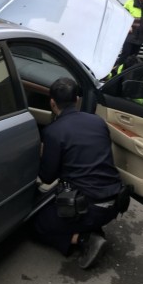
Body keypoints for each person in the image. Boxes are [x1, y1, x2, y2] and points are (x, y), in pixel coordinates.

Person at [34, 77, 124, 269]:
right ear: (76, 100)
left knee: (36, 222)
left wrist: (43, 155)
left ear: (52, 103)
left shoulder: (53, 132)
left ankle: (85, 239)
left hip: (86, 207)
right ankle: (90, 227)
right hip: (115, 201)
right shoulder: (97, 121)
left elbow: (47, 176)